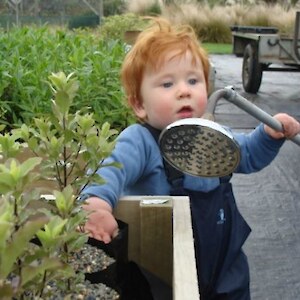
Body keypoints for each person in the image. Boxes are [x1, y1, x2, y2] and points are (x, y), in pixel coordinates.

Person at [81, 17, 300, 300]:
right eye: (167, 83)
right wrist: (97, 204)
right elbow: (110, 170)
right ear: (139, 104)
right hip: (165, 270)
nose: (184, 90)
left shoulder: (212, 135)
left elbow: (246, 155)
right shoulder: (141, 141)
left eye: (193, 80)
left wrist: (268, 136)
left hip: (226, 271)